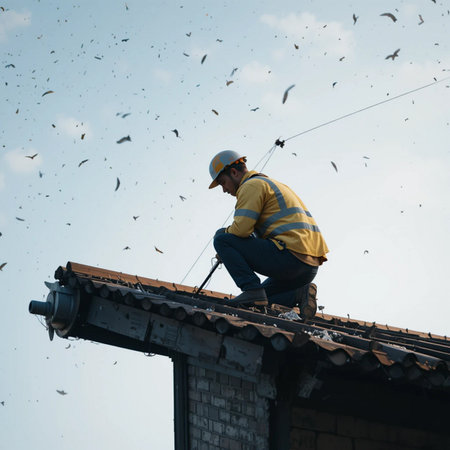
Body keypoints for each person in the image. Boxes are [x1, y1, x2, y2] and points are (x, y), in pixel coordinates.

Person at [209, 150, 329, 318]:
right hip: (308, 266)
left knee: (221, 238)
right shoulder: (273, 184)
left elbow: (241, 229)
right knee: (259, 301)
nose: (224, 190)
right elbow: (250, 234)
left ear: (234, 173)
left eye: (223, 182)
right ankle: (299, 293)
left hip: (289, 257)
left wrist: (226, 245)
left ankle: (251, 288)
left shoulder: (251, 186)